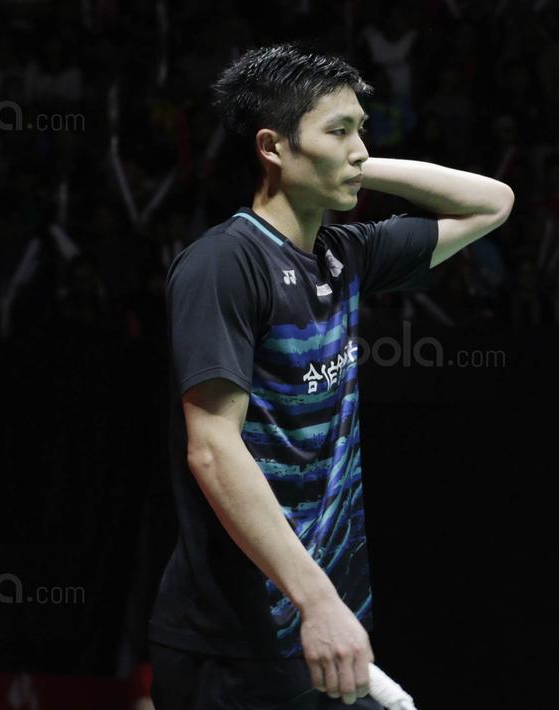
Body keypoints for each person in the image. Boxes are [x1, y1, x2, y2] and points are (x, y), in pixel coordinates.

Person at [147, 43, 514, 710]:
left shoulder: (345, 253)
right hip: (239, 642)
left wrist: (359, 161)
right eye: (338, 131)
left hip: (325, 627)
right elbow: (212, 447)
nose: (358, 148)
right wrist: (316, 601)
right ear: (273, 148)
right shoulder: (224, 266)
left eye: (361, 130)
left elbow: (491, 203)